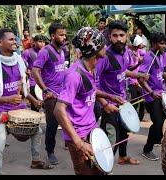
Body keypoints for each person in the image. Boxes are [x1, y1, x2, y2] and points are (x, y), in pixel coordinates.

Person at [54, 27, 123, 175]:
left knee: (100, 170)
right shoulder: (74, 75)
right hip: (78, 135)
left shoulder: (93, 67)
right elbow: (58, 110)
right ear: (95, 48)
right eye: (103, 44)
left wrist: (107, 101)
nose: (106, 47)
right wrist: (79, 143)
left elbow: (89, 90)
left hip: (91, 130)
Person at [0, 28, 50, 175]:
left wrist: (33, 100)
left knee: (37, 131)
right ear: (0, 42)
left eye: (15, 39)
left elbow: (23, 89)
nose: (15, 42)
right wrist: (7, 99)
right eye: (11, 39)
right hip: (0, 111)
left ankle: (35, 160)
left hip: (19, 108)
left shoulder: (20, 61)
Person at [96, 20, 149, 165]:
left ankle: (123, 157)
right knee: (111, 137)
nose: (118, 39)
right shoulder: (104, 56)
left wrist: (139, 75)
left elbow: (122, 72)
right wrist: (105, 104)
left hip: (122, 100)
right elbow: (93, 84)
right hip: (109, 104)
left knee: (124, 130)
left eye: (122, 35)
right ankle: (103, 166)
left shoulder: (126, 52)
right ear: (109, 36)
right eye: (115, 35)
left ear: (127, 36)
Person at [138, 32, 166, 161]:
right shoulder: (149, 57)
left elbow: (162, 74)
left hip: (161, 94)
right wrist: (151, 92)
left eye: (165, 43)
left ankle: (157, 140)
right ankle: (147, 150)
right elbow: (141, 78)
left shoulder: (159, 56)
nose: (164, 46)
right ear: (154, 43)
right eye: (161, 43)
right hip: (151, 96)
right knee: (158, 122)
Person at [32, 22, 67, 165]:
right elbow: (35, 71)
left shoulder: (63, 50)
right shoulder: (45, 51)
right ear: (53, 36)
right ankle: (50, 151)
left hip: (63, 94)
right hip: (51, 95)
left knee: (69, 120)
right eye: (61, 34)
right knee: (52, 125)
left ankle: (70, 143)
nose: (64, 37)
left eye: (65, 34)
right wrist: (45, 90)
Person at [22, 34, 47, 111]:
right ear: (34, 42)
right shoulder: (27, 52)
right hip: (33, 82)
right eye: (40, 41)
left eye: (43, 42)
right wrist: (26, 70)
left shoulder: (46, 52)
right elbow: (22, 64)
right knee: (35, 105)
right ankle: (35, 122)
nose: (42, 44)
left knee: (47, 104)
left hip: (45, 82)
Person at [128, 35, 146, 121]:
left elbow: (146, 54)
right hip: (131, 81)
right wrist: (139, 63)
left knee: (142, 100)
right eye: (140, 43)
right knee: (134, 101)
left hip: (138, 80)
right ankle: (132, 117)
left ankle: (140, 118)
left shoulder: (138, 51)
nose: (142, 44)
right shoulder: (130, 53)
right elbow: (129, 69)